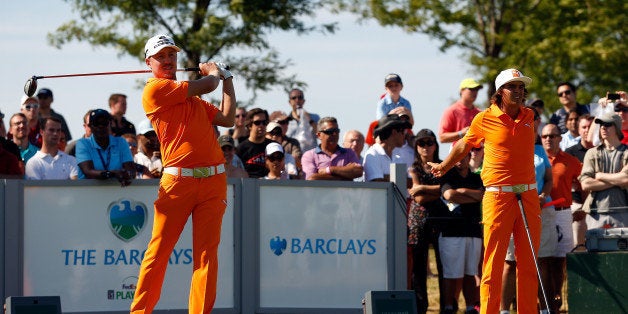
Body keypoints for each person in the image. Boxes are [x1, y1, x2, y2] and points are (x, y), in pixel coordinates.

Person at [130, 34, 235, 314]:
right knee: (159, 253)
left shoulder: (193, 100)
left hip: (213, 182)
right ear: (148, 62)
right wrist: (214, 74)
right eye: (161, 56)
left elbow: (227, 118)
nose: (167, 60)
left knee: (206, 257)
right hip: (177, 183)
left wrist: (228, 79)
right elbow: (207, 84)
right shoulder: (154, 89)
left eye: (171, 55)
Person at [428, 68, 540, 314]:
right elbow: (463, 144)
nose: (519, 91)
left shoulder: (530, 115)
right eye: (513, 86)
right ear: (500, 92)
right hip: (498, 196)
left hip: (529, 195)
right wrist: (444, 166)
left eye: (521, 86)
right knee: (492, 264)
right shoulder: (483, 119)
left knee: (529, 264)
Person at [501, 107, 555, 314]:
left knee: (539, 261)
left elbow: (549, 179)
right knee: (510, 262)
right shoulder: (509, 146)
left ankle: (542, 309)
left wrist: (542, 196)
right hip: (513, 207)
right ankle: (505, 310)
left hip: (538, 208)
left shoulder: (540, 150)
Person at [541, 123, 583, 313]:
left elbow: (584, 183)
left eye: (552, 135)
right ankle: (545, 300)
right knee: (544, 259)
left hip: (564, 213)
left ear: (560, 138)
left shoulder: (571, 160)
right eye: (545, 136)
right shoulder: (536, 160)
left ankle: (556, 298)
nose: (548, 139)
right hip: (541, 213)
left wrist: (585, 207)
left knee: (560, 259)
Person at [406, 128, 447, 313]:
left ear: (435, 145)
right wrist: (440, 191)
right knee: (419, 268)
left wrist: (423, 187)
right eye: (421, 143)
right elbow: (419, 199)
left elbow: (446, 189)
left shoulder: (443, 166)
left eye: (429, 142)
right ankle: (421, 307)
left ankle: (445, 306)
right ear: (416, 146)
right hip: (418, 221)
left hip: (439, 218)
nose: (425, 147)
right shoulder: (413, 168)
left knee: (443, 265)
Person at [439, 153, 484, 314]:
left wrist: (462, 191)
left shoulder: (476, 178)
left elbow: (481, 196)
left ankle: (471, 307)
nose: (460, 160)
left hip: (472, 231)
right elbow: (449, 195)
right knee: (451, 273)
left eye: (464, 156)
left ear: (469, 157)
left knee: (470, 272)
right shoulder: (447, 176)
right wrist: (470, 195)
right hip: (451, 231)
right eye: (457, 157)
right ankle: (449, 307)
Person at [579, 112, 628, 230]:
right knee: (595, 247)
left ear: (616, 128)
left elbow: (626, 179)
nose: (603, 127)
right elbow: (585, 184)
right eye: (601, 124)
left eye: (607, 124)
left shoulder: (626, 152)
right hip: (595, 213)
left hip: (624, 211)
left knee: (623, 248)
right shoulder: (592, 153)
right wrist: (618, 179)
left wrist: (599, 175)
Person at [75, 109, 135, 185]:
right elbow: (88, 172)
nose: (101, 126)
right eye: (97, 123)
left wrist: (127, 175)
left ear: (110, 124)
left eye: (104, 123)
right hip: (89, 192)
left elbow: (131, 171)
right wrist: (113, 174)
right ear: (90, 126)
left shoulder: (121, 142)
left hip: (116, 191)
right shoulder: (83, 143)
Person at [301, 117, 362, 181]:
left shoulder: (349, 153)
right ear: (319, 135)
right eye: (330, 132)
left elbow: (358, 171)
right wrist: (345, 177)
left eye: (337, 131)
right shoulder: (309, 155)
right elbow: (311, 179)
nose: (335, 134)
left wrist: (329, 170)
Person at [363, 114, 411, 182]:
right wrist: (399, 178)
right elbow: (377, 183)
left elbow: (408, 183)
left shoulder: (398, 158)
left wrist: (387, 177)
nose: (405, 135)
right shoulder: (373, 154)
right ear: (394, 132)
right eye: (403, 131)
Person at [439, 78, 483, 144]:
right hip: (458, 153)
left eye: (476, 89)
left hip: (477, 153)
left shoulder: (480, 113)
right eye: (471, 89)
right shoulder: (451, 111)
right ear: (462, 91)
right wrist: (461, 134)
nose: (475, 92)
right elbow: (442, 138)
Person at [236, 108, 274, 178]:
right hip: (249, 186)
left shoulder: (273, 146)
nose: (261, 125)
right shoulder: (241, 149)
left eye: (264, 122)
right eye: (257, 123)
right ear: (249, 125)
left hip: (270, 186)